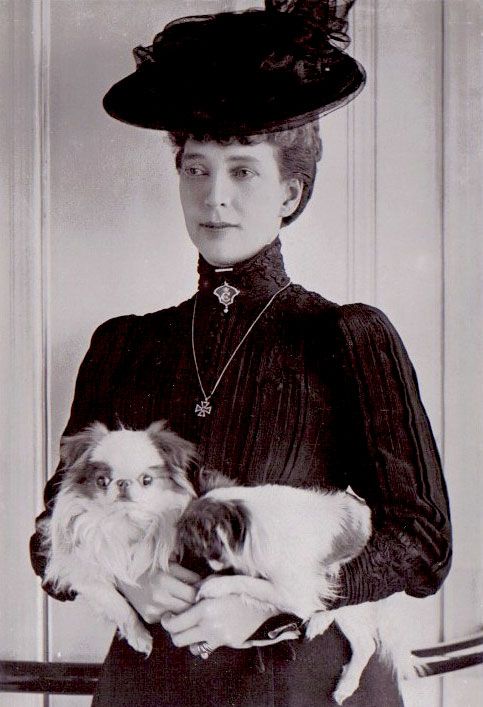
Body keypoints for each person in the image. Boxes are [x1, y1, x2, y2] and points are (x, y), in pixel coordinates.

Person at [30, 2, 452, 705]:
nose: (214, 197)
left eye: (242, 171)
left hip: (303, 681)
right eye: (196, 169)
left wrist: (275, 601)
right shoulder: (125, 344)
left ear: (290, 191)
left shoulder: (347, 335)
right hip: (154, 684)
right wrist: (130, 576)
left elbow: (422, 544)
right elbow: (49, 545)